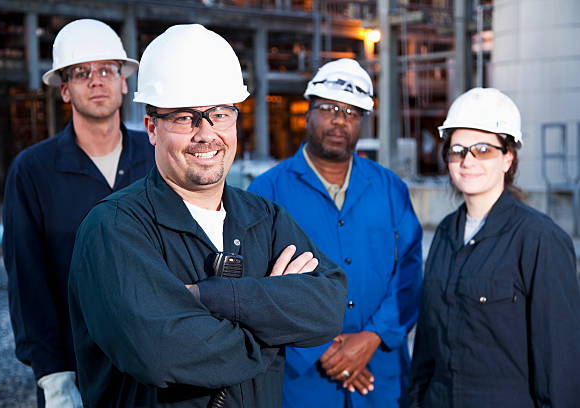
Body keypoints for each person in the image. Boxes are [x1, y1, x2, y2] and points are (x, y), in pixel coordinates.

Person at [67, 24, 348, 407]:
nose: (206, 134)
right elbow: (161, 354)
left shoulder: (263, 218)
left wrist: (213, 297)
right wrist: (270, 325)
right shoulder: (114, 229)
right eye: (185, 118)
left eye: (219, 114)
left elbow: (329, 306)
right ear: (152, 128)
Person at [249, 58, 423, 407]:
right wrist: (319, 349)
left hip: (380, 377)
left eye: (352, 112)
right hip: (301, 383)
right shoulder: (267, 191)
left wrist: (373, 337)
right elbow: (256, 286)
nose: (339, 119)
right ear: (308, 112)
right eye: (328, 107)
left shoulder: (390, 188)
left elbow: (409, 271)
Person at [2, 19, 155, 408]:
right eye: (82, 73)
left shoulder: (157, 159)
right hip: (77, 373)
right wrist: (52, 378)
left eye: (107, 69)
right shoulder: (33, 170)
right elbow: (27, 281)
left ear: (124, 82)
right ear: (65, 90)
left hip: (156, 364)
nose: (97, 80)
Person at [409, 87, 580, 407]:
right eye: (457, 150)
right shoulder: (446, 233)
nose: (467, 160)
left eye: (483, 149)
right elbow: (426, 346)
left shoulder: (539, 239)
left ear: (508, 157)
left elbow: (559, 367)